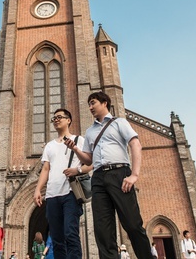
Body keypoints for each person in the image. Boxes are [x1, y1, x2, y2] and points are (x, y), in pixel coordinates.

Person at [65, 92, 153, 259]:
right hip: (98, 177)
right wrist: (75, 149)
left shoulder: (120, 122)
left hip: (119, 173)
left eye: (93, 103)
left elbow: (135, 144)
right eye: (89, 104)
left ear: (104, 103)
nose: (90, 107)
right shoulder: (90, 131)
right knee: (103, 230)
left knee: (133, 224)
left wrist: (134, 175)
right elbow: (88, 159)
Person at [34, 108, 92, 259]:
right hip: (52, 195)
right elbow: (45, 169)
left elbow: (90, 164)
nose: (56, 120)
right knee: (57, 238)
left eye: (60, 117)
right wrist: (38, 190)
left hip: (71, 194)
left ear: (68, 120)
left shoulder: (79, 140)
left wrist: (76, 170)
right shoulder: (49, 146)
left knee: (70, 233)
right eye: (54, 118)